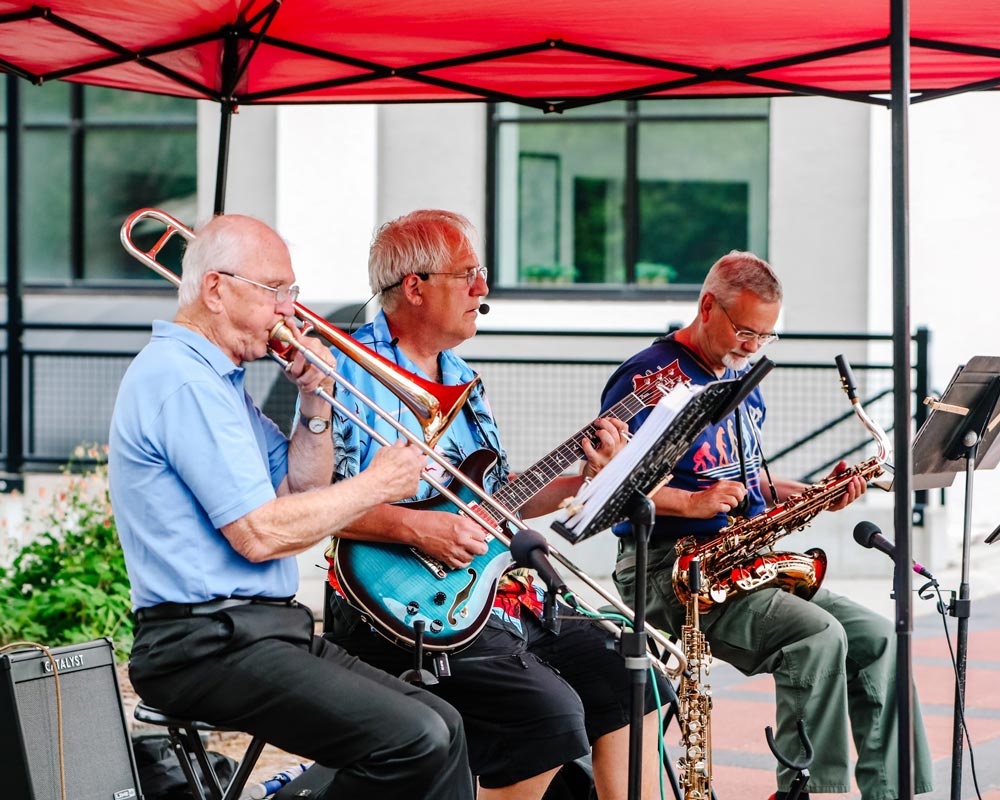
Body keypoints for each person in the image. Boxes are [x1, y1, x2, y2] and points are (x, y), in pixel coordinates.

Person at [109, 213, 474, 800]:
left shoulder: (220, 383)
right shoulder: (180, 381)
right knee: (411, 739)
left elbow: (301, 495)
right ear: (215, 289)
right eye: (275, 290)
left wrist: (315, 401)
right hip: (202, 643)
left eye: (292, 293)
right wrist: (377, 483)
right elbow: (258, 534)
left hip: (263, 630)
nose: (289, 310)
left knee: (447, 726)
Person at [324, 209, 666, 800]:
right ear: (415, 286)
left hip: (488, 594)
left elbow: (497, 498)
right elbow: (317, 504)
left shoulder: (462, 378)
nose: (483, 290)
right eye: (470, 274)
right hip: (394, 606)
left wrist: (582, 478)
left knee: (634, 675)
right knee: (545, 711)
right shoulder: (350, 369)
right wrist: (417, 528)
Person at [600, 250, 934, 800]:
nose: (752, 346)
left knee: (878, 639)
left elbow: (741, 478)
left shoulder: (740, 378)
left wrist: (802, 494)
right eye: (745, 331)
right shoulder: (648, 377)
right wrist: (690, 503)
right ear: (708, 306)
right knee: (816, 636)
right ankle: (808, 792)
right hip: (669, 571)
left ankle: (893, 793)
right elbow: (609, 486)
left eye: (765, 336)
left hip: (742, 563)